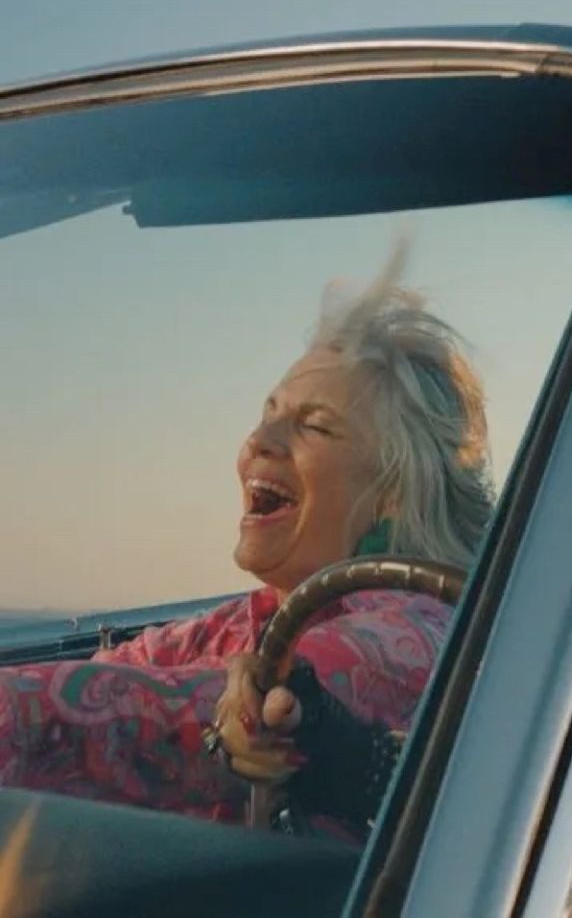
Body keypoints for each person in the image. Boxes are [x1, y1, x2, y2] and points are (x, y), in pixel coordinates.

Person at [0, 253, 492, 835]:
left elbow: (154, 716)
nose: (260, 439)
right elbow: (112, 676)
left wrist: (250, 716)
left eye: (314, 426)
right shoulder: (242, 623)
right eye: (268, 414)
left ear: (393, 491)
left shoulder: (416, 635)